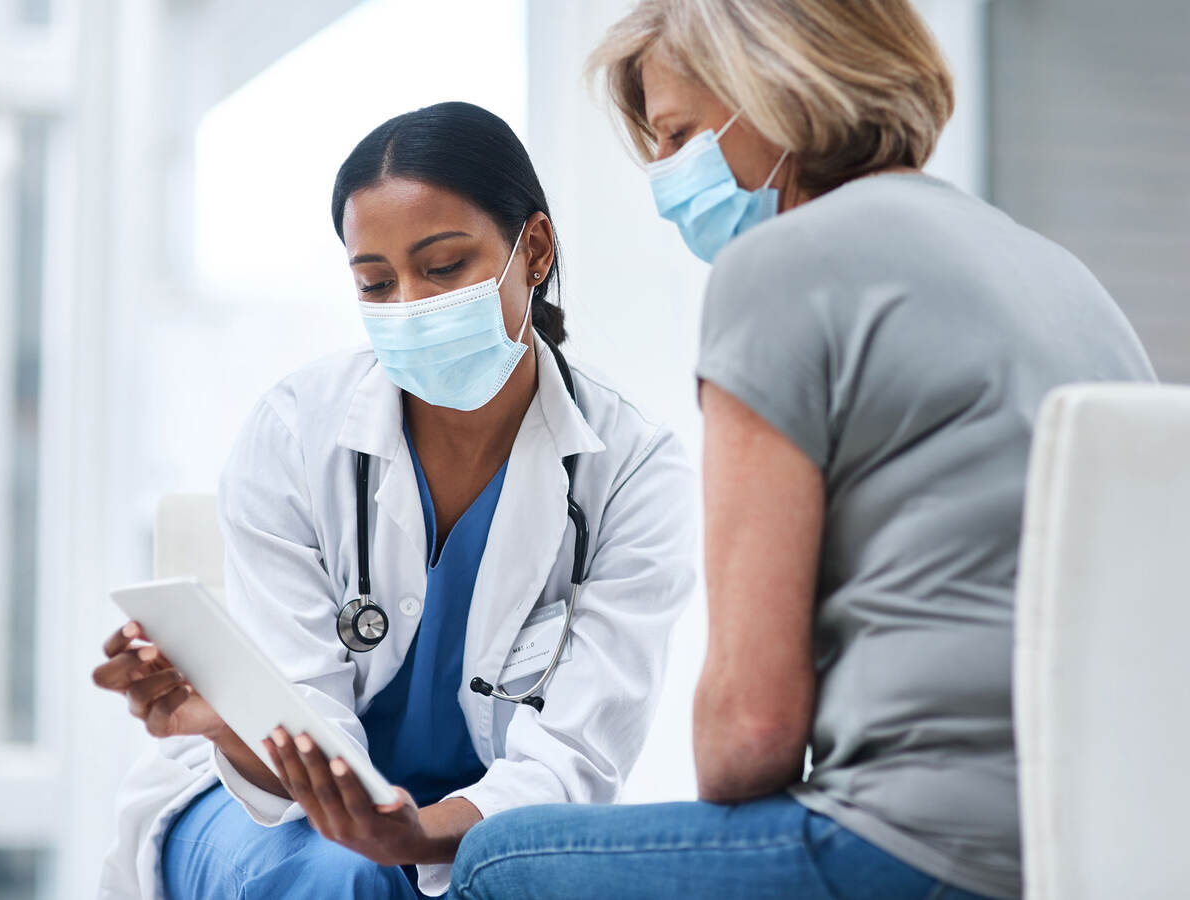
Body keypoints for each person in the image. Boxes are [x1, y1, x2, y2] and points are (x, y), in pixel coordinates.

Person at [447, 3, 1156, 899]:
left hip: (921, 852)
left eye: (677, 135)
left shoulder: (779, 268)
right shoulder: (1057, 272)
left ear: (778, 89)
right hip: (1095, 847)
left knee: (497, 861)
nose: (666, 179)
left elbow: (748, 737)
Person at [93, 101, 696, 900]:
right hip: (266, 809)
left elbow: (576, 758)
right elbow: (298, 728)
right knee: (349, 879)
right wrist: (234, 732)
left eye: (443, 267)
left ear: (536, 249)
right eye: (376, 283)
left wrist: (415, 834)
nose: (410, 304)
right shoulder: (295, 435)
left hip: (480, 824)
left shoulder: (631, 472)